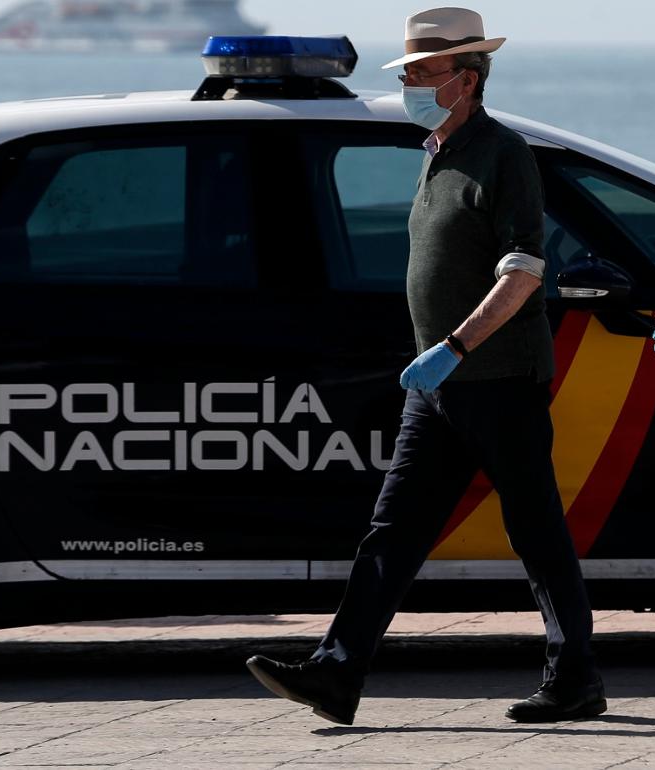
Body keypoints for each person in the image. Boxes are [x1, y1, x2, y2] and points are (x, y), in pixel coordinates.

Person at [244, 7, 604, 726]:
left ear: (465, 80)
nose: (408, 81)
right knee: (393, 531)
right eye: (406, 69)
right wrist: (437, 362)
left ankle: (575, 679)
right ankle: (337, 671)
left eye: (421, 71)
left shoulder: (503, 154)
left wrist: (456, 346)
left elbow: (525, 271)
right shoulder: (438, 151)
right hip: (439, 390)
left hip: (498, 379)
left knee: (535, 531)